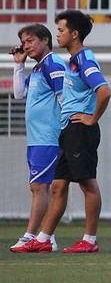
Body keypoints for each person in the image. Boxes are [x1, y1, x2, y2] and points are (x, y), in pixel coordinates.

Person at [13, 10, 111, 253]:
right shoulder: (72, 61)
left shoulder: (84, 60)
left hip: (80, 129)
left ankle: (89, 241)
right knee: (57, 186)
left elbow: (104, 91)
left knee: (87, 184)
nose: (57, 34)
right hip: (68, 130)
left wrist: (91, 118)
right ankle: (44, 238)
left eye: (61, 30)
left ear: (74, 34)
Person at [9, 24, 65, 253]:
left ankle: (30, 236)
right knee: (40, 187)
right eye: (23, 42)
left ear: (45, 40)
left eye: (30, 40)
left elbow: (65, 97)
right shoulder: (39, 69)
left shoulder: (53, 64)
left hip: (48, 138)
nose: (25, 45)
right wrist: (19, 66)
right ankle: (47, 238)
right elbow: (19, 94)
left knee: (39, 187)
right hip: (36, 139)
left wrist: (66, 131)